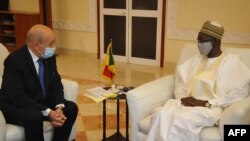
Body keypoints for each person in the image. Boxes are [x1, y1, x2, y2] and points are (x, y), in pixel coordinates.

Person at [146, 21, 250, 141]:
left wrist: (204, 103)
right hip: (188, 104)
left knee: (183, 120)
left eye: (202, 41)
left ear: (215, 42)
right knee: (160, 114)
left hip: (210, 108)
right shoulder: (194, 61)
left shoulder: (232, 63)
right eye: (198, 40)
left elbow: (238, 94)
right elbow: (180, 85)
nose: (199, 44)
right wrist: (184, 98)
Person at [0, 24, 78, 141]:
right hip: (15, 105)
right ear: (36, 45)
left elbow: (56, 82)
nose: (54, 47)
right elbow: (17, 96)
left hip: (38, 100)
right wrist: (48, 112)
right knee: (35, 116)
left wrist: (59, 107)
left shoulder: (49, 57)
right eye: (51, 43)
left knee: (71, 108)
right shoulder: (14, 61)